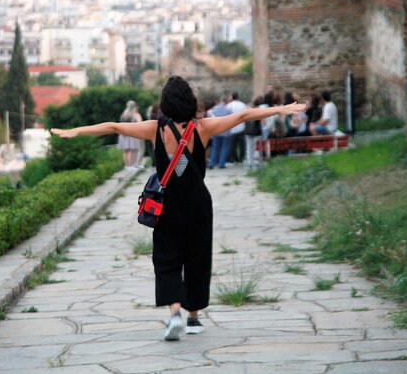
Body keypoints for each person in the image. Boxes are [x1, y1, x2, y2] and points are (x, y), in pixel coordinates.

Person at [51, 76, 306, 341]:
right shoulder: (203, 128)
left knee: (166, 258)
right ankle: (193, 318)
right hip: (198, 205)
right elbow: (244, 116)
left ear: (165, 103)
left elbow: (115, 127)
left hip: (167, 207)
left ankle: (174, 312)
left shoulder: (154, 129)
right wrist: (280, 109)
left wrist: (77, 130)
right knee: (197, 259)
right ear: (190, 102)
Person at [207, 95, 232, 169]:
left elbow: (212, 117)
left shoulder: (215, 108)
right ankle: (221, 164)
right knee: (224, 147)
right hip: (225, 131)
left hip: (216, 130)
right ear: (226, 101)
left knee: (215, 147)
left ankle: (212, 163)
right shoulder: (228, 109)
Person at [117, 100, 143, 169]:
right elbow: (140, 123)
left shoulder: (124, 114)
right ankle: (131, 165)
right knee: (131, 150)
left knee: (125, 151)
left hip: (123, 134)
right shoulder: (135, 114)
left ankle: (127, 166)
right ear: (135, 106)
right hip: (131, 134)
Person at [226, 91, 247, 166]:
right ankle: (241, 159)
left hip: (232, 128)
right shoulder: (243, 105)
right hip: (241, 127)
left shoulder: (229, 105)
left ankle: (234, 159)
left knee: (232, 146)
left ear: (232, 97)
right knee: (242, 145)